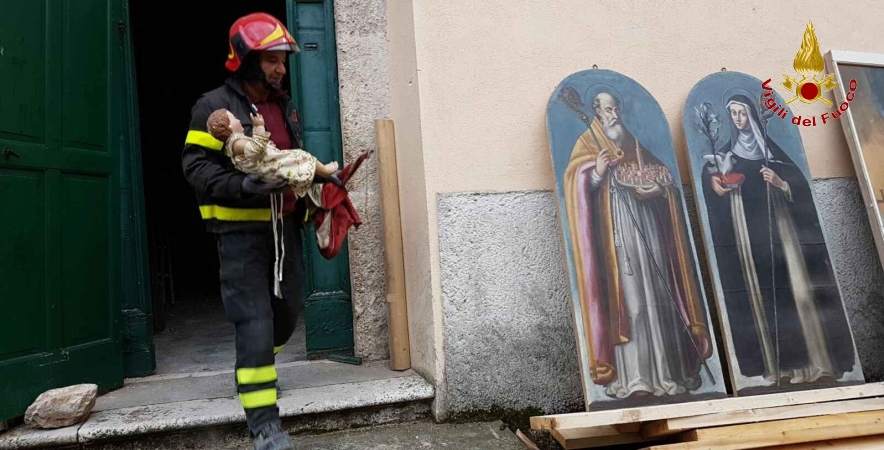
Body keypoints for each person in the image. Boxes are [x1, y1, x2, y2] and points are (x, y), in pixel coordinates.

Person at [180, 12, 331, 450]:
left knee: (285, 319)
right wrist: (244, 185)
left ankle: (254, 364)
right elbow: (196, 168)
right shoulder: (213, 108)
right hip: (239, 237)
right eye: (272, 60)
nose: (281, 69)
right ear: (245, 58)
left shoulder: (283, 105)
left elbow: (287, 160)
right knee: (255, 324)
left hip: (285, 233)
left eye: (283, 60)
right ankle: (265, 425)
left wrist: (323, 183)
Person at [563, 92, 713, 399]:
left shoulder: (630, 141)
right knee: (632, 304)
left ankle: (668, 374)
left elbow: (662, 176)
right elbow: (575, 182)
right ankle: (636, 378)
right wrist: (598, 172)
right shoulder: (588, 143)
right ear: (597, 114)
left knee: (659, 298)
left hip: (646, 226)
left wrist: (660, 188)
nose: (614, 114)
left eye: (616, 108)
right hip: (614, 235)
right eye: (608, 110)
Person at [701, 94, 855, 385]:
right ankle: (781, 369)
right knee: (764, 299)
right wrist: (715, 184)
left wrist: (781, 182)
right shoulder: (727, 157)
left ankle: (817, 365)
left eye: (742, 113)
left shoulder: (774, 155)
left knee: (798, 294)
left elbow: (800, 189)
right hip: (749, 241)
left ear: (753, 117)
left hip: (784, 238)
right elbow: (712, 189)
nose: (737, 119)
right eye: (732, 113)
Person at [207, 109, 339, 197]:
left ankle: (320, 178)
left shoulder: (236, 142)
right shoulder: (236, 143)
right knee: (301, 156)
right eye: (234, 119)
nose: (239, 120)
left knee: (297, 164)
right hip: (269, 167)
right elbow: (256, 150)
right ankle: (325, 171)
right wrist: (259, 127)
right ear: (229, 126)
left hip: (268, 166)